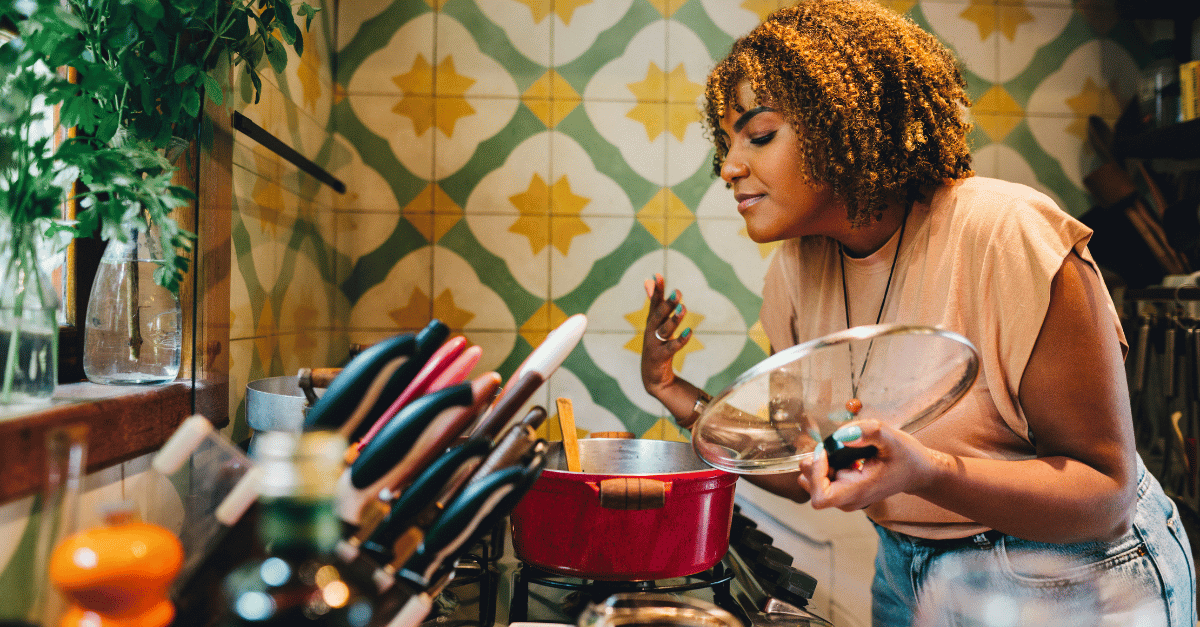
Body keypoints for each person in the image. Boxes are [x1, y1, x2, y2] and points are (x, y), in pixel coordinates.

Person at [639, 1, 1197, 625]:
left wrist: (924, 470)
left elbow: (1105, 497)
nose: (729, 166)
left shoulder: (1007, 232)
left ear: (846, 124)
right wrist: (672, 390)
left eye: (760, 135)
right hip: (907, 572)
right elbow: (814, 467)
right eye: (728, 142)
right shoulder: (794, 274)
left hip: (1073, 577)